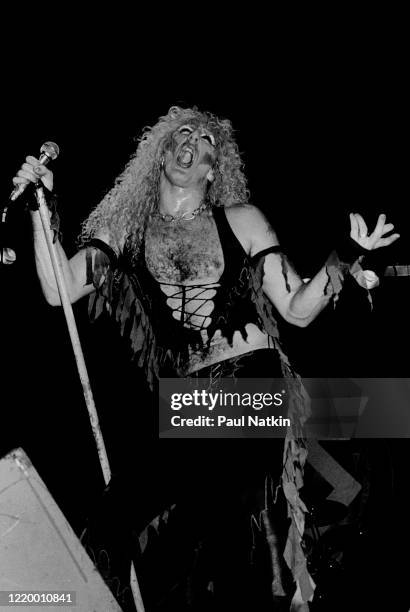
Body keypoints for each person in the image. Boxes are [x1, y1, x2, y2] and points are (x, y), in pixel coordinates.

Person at [14, 105, 398, 611]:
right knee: (116, 519)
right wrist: (40, 209)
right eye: (180, 133)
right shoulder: (128, 232)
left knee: (224, 517)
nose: (188, 141)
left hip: (251, 387)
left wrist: (345, 257)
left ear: (213, 167)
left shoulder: (242, 220)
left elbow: (298, 311)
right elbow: (58, 290)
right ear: (161, 151)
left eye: (203, 139)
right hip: (191, 401)